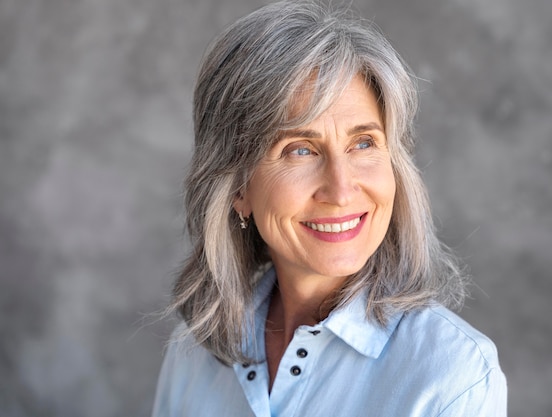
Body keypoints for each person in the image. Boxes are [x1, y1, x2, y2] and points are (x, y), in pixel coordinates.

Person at [152, 1, 507, 416]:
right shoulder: (194, 349)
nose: (340, 190)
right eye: (300, 150)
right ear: (237, 188)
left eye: (363, 143)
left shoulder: (453, 376)